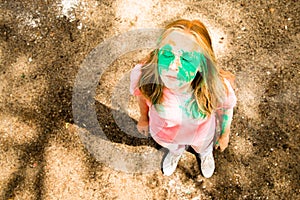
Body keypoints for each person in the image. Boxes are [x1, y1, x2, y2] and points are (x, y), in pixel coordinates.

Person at [129, 19, 237, 178]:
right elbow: (141, 96)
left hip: (202, 135)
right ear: (158, 53)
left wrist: (224, 134)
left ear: (202, 64)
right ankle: (175, 153)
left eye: (186, 59)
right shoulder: (143, 76)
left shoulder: (216, 87)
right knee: (174, 146)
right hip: (166, 135)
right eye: (166, 54)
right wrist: (143, 118)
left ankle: (205, 154)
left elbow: (227, 108)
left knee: (203, 146)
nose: (173, 66)